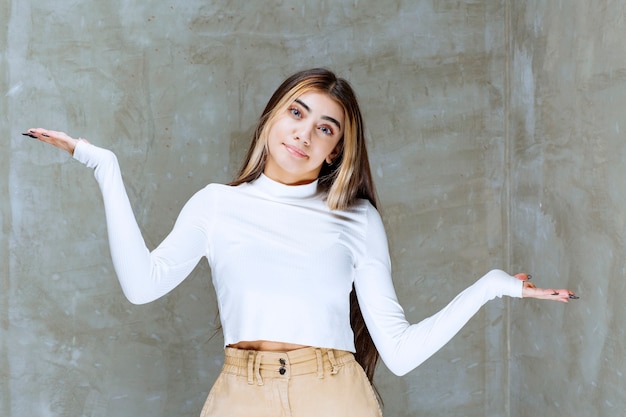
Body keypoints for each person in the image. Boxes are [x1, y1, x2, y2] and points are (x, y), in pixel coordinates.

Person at [24, 68, 577, 417]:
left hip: (333, 395)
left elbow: (401, 354)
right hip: (242, 393)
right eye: (296, 112)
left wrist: (490, 288)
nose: (304, 133)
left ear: (334, 151)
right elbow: (143, 286)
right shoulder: (217, 204)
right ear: (271, 119)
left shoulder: (355, 219)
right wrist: (104, 165)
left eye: (326, 128)